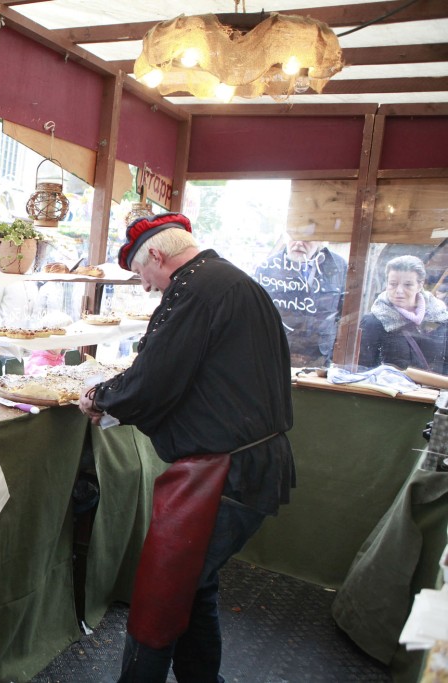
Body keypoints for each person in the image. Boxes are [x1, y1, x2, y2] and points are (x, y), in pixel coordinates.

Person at [79, 212, 295, 683]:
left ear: (157, 255)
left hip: (222, 470)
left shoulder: (195, 289)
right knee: (195, 585)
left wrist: (101, 397)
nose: (145, 286)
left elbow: (155, 378)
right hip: (253, 461)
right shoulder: (234, 282)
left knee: (161, 593)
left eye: (142, 273)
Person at [253, 233, 347, 367]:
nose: (298, 243)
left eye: (307, 239)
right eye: (294, 236)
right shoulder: (267, 269)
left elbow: (346, 316)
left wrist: (336, 358)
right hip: (278, 355)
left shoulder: (338, 267)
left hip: (320, 358)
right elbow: (256, 316)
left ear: (320, 240)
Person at [359, 255, 448, 373]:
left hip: (433, 385)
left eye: (408, 285)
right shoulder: (373, 322)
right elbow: (363, 370)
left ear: (420, 285)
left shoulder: (440, 318)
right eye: (393, 284)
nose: (399, 291)